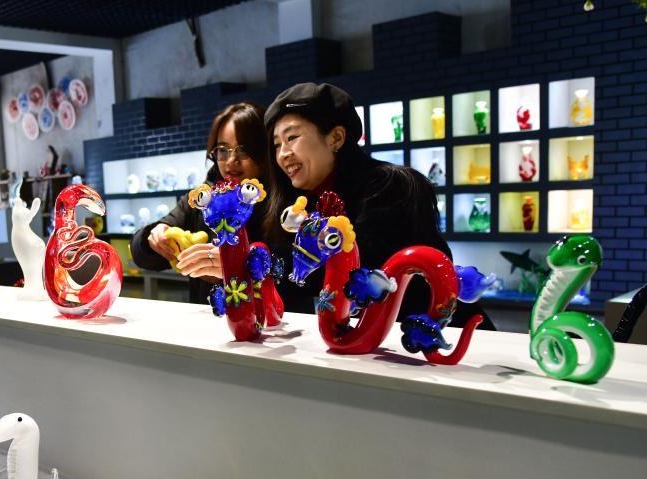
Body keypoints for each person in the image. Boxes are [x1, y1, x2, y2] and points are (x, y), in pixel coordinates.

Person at [263, 82, 491, 327]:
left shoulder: (392, 185)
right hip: (374, 338)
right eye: (277, 145)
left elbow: (360, 268)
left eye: (292, 138)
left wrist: (262, 260)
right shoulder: (300, 204)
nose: (283, 154)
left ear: (336, 138)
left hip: (439, 332)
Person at [129, 102, 270, 304]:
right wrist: (152, 238)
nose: (231, 160)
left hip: (273, 318)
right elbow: (141, 255)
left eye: (243, 150)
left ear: (264, 152)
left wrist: (240, 264)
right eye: (223, 150)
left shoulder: (278, 202)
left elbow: (298, 272)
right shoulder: (201, 199)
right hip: (208, 317)